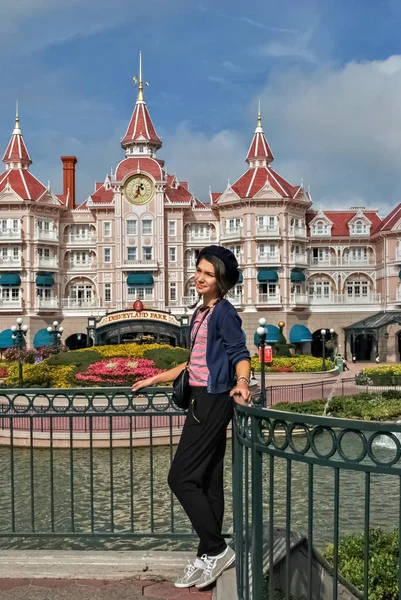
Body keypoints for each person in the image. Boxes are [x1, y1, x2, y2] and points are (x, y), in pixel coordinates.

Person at [132, 245, 251, 590]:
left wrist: (242, 383)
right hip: (201, 396)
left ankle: (216, 548)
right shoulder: (201, 313)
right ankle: (206, 556)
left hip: (213, 401)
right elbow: (194, 363)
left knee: (180, 478)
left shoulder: (224, 313)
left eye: (208, 274)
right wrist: (154, 378)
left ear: (222, 280)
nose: (199, 277)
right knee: (208, 480)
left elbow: (239, 353)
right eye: (198, 270)